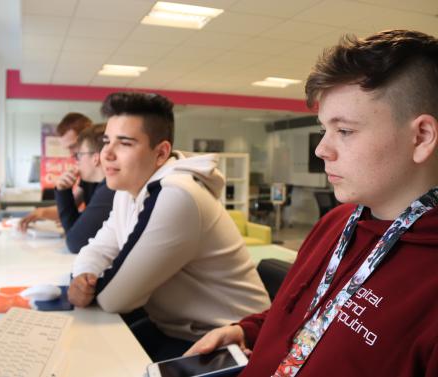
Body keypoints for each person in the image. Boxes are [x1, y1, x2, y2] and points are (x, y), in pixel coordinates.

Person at [186, 30, 438, 377]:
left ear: (421, 137)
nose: (322, 150)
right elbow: (312, 313)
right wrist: (250, 331)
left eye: (344, 131)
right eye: (324, 130)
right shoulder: (336, 223)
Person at [68, 92, 270, 361]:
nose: (107, 154)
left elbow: (115, 298)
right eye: (106, 141)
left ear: (161, 152)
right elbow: (98, 246)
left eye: (125, 143)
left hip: (228, 345)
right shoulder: (127, 192)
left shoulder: (177, 194)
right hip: (177, 331)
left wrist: (86, 288)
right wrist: (83, 274)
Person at [19, 112, 92, 232]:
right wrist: (40, 212)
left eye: (73, 146)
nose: (71, 154)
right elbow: (70, 206)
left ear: (89, 139)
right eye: (68, 148)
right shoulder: (86, 174)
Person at [55, 123, 114, 253]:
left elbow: (75, 243)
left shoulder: (111, 189)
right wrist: (63, 191)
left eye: (79, 155)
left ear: (95, 158)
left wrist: (63, 193)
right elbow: (74, 230)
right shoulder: (104, 186)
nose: (76, 161)